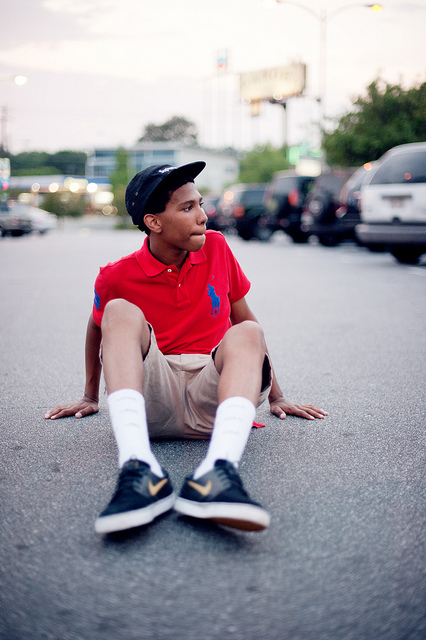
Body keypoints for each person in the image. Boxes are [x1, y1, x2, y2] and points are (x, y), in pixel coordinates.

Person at [45, 162, 327, 535]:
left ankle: (218, 472)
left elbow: (244, 319)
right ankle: (138, 467)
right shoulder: (116, 275)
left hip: (212, 399)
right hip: (153, 400)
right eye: (187, 208)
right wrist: (89, 395)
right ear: (153, 222)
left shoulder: (217, 247)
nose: (202, 216)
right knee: (117, 311)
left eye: (200, 204)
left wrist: (277, 396)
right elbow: (97, 327)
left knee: (248, 330)